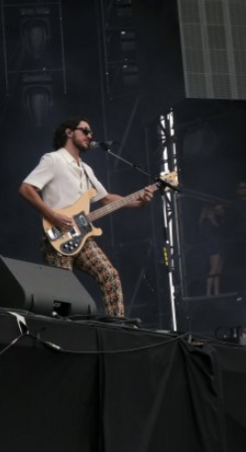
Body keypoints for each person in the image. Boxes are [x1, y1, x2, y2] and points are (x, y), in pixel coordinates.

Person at [18, 117, 154, 318]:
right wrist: (52, 214)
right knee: (64, 293)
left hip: (83, 236)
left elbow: (107, 199)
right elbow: (26, 188)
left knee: (110, 275)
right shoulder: (53, 159)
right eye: (86, 131)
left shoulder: (86, 170)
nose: (90, 136)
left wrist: (140, 201)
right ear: (69, 132)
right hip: (57, 236)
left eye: (91, 133)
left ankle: (117, 326)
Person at [197, 204, 226, 296]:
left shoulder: (216, 221)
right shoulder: (206, 222)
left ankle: (217, 291)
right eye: (212, 212)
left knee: (218, 271)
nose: (214, 213)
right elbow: (208, 235)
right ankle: (208, 292)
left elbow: (220, 231)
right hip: (213, 246)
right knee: (213, 269)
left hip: (219, 246)